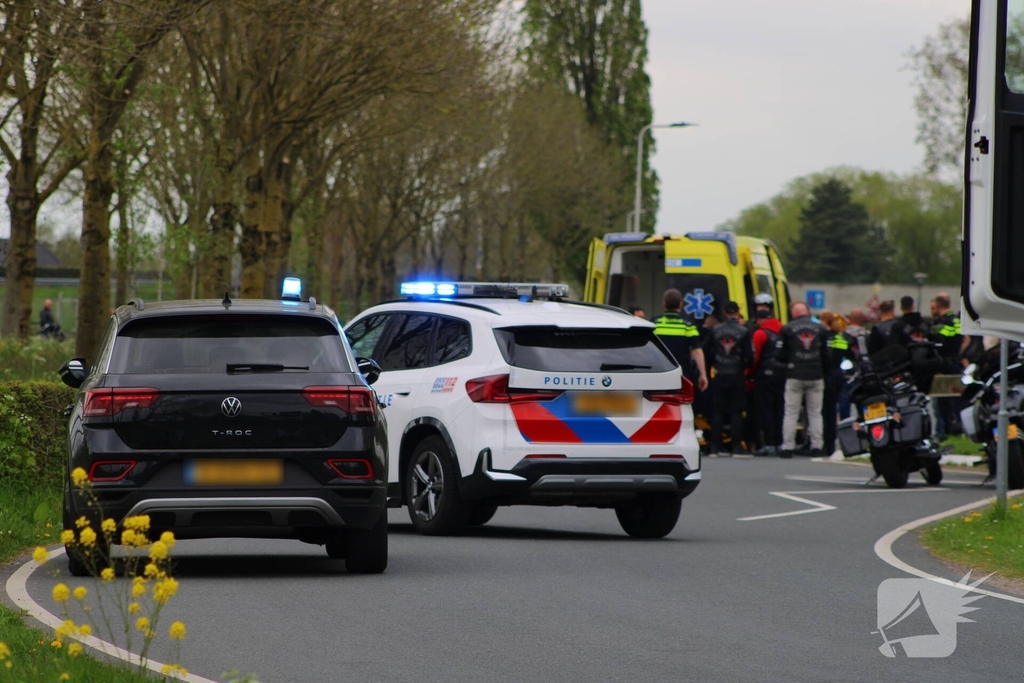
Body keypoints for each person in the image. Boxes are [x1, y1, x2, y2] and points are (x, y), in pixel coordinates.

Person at [776, 302, 828, 458]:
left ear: (793, 313)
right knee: (815, 413)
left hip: (794, 374)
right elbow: (827, 354)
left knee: (791, 412)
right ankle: (817, 446)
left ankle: (787, 447)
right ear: (807, 312)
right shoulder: (821, 329)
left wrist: (789, 362)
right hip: (816, 374)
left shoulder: (787, 328)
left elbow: (779, 354)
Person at [702, 301, 752, 456]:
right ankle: (736, 446)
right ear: (737, 313)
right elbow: (749, 357)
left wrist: (712, 366)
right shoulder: (744, 331)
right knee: (736, 412)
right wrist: (742, 367)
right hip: (737, 374)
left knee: (718, 411)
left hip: (720, 374)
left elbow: (705, 351)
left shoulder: (715, 330)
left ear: (724, 313)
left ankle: (715, 447)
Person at [750, 293, 785, 456]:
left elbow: (755, 357)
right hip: (781, 374)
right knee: (779, 409)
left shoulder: (760, 333)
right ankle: (779, 442)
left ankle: (769, 443)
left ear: (759, 320)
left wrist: (749, 373)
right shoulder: (782, 330)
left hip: (764, 375)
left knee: (765, 410)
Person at [653, 288, 708, 392]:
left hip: (658, 372)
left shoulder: (654, 323)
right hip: (682, 374)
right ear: (680, 305)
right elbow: (697, 351)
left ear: (664, 304)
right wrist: (703, 374)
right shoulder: (688, 325)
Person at [820, 311, 856, 456]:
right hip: (838, 376)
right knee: (835, 411)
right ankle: (832, 443)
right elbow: (850, 357)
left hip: (825, 376)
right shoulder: (841, 339)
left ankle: (823, 442)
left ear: (825, 321)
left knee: (824, 411)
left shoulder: (822, 337)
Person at [930, 292, 965, 438]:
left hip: (943, 366)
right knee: (955, 399)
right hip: (955, 363)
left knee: (940, 402)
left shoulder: (943, 324)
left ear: (938, 305)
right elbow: (965, 339)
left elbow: (939, 343)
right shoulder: (957, 320)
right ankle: (956, 428)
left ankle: (941, 432)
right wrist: (959, 354)